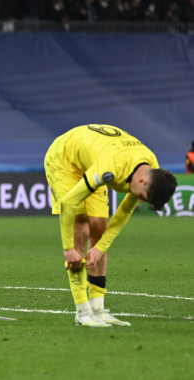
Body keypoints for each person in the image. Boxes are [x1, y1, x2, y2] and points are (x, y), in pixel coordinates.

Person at [44, 124, 177, 327]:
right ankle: (82, 312)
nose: (139, 200)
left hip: (92, 161)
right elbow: (68, 203)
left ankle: (97, 309)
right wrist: (68, 248)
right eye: (141, 197)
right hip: (64, 158)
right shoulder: (110, 167)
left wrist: (100, 248)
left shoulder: (151, 168)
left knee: (99, 229)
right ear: (141, 181)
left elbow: (123, 213)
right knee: (80, 224)